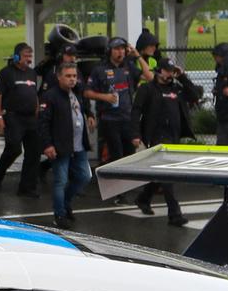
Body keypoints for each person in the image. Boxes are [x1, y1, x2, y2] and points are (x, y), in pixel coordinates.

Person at [132, 59, 192, 227]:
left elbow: (195, 95)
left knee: (159, 172)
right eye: (167, 70)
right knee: (167, 174)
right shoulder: (147, 89)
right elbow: (136, 111)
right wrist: (135, 133)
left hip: (174, 136)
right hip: (156, 137)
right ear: (159, 71)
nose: (170, 74)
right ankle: (175, 214)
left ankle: (143, 199)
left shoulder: (177, 89)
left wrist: (184, 78)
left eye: (172, 70)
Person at [39, 60, 92, 229]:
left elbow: (83, 109)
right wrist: (47, 145)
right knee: (60, 181)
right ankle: (59, 214)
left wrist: (90, 114)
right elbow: (43, 122)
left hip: (79, 145)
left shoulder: (77, 93)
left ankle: (66, 202)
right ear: (59, 77)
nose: (72, 79)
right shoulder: (50, 96)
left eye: (74, 76)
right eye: (68, 76)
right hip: (61, 145)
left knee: (85, 176)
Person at [0, 42, 41, 196]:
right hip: (13, 117)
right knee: (14, 148)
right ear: (17, 56)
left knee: (34, 152)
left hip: (31, 118)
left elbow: (34, 94)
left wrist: (37, 110)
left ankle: (26, 187)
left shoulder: (32, 73)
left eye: (30, 56)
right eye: (26, 56)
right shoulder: (6, 73)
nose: (29, 59)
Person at [85, 36, 143, 165]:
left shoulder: (129, 66)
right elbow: (87, 92)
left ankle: (126, 183)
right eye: (117, 49)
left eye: (122, 49)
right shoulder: (99, 69)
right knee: (115, 156)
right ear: (109, 51)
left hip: (127, 119)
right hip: (109, 120)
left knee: (130, 156)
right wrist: (104, 97)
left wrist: (138, 56)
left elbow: (149, 76)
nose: (120, 52)